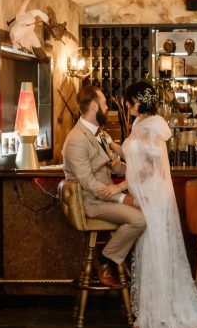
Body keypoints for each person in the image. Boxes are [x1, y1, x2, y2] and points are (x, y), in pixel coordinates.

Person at [119, 81, 197, 328]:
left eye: (129, 100)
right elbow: (137, 160)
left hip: (153, 194)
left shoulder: (152, 127)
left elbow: (149, 167)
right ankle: (150, 311)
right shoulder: (140, 124)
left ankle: (160, 314)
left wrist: (122, 186)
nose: (126, 105)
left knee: (156, 248)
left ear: (137, 101)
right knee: (148, 248)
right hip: (147, 193)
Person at [62, 84, 145, 289]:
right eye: (105, 103)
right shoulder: (76, 139)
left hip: (105, 197)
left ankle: (118, 257)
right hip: (91, 202)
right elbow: (89, 183)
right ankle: (104, 260)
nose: (108, 108)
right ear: (93, 106)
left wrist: (139, 169)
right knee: (140, 220)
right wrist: (122, 197)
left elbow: (113, 165)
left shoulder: (98, 133)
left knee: (147, 208)